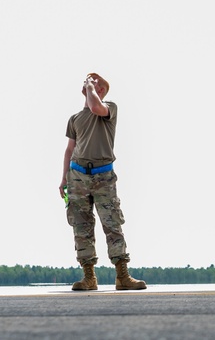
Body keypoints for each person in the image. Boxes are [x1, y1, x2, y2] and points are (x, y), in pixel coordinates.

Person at [59, 73, 146, 291]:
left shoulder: (108, 109)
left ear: (101, 92)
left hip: (103, 176)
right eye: (90, 83)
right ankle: (89, 277)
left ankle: (122, 276)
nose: (90, 84)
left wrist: (90, 86)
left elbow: (96, 107)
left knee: (112, 224)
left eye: (96, 84)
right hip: (77, 176)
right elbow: (70, 149)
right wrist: (63, 179)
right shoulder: (75, 119)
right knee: (81, 226)